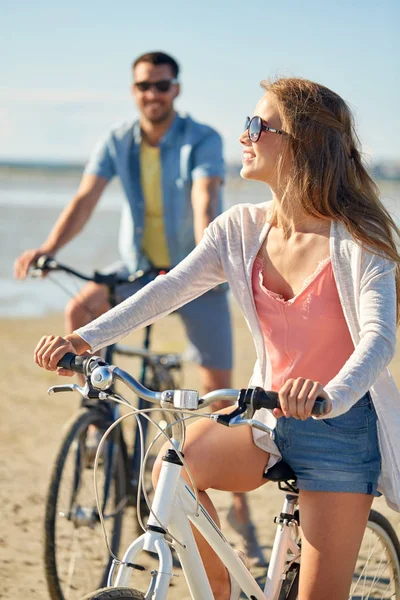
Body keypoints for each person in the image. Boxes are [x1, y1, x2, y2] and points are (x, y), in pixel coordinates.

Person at [33, 76, 400, 600]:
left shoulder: (359, 242)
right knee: (174, 464)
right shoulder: (240, 229)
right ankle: (220, 588)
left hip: (339, 427)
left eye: (258, 124)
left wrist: (330, 395)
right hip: (263, 418)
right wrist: (83, 339)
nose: (244, 134)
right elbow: (167, 291)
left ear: (302, 143)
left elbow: (379, 338)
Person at [14, 50, 262, 560]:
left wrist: (206, 259)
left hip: (196, 273)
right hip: (137, 273)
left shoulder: (202, 139)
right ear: (134, 91)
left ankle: (238, 512)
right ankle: (96, 417)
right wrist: (49, 250)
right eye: (145, 86)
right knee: (81, 310)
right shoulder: (117, 141)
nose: (153, 94)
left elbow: (205, 195)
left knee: (222, 397)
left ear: (177, 89)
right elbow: (85, 198)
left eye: (163, 86)